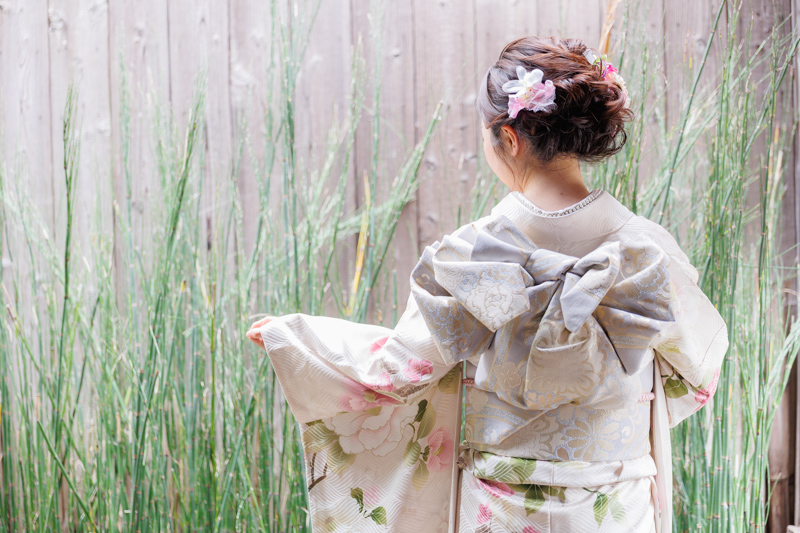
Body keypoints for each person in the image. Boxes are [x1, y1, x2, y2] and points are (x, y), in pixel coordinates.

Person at [246, 36, 728, 533]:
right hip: (617, 508)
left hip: (501, 512)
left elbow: (397, 372)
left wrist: (296, 339)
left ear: (509, 138)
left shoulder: (473, 256)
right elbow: (698, 374)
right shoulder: (647, 254)